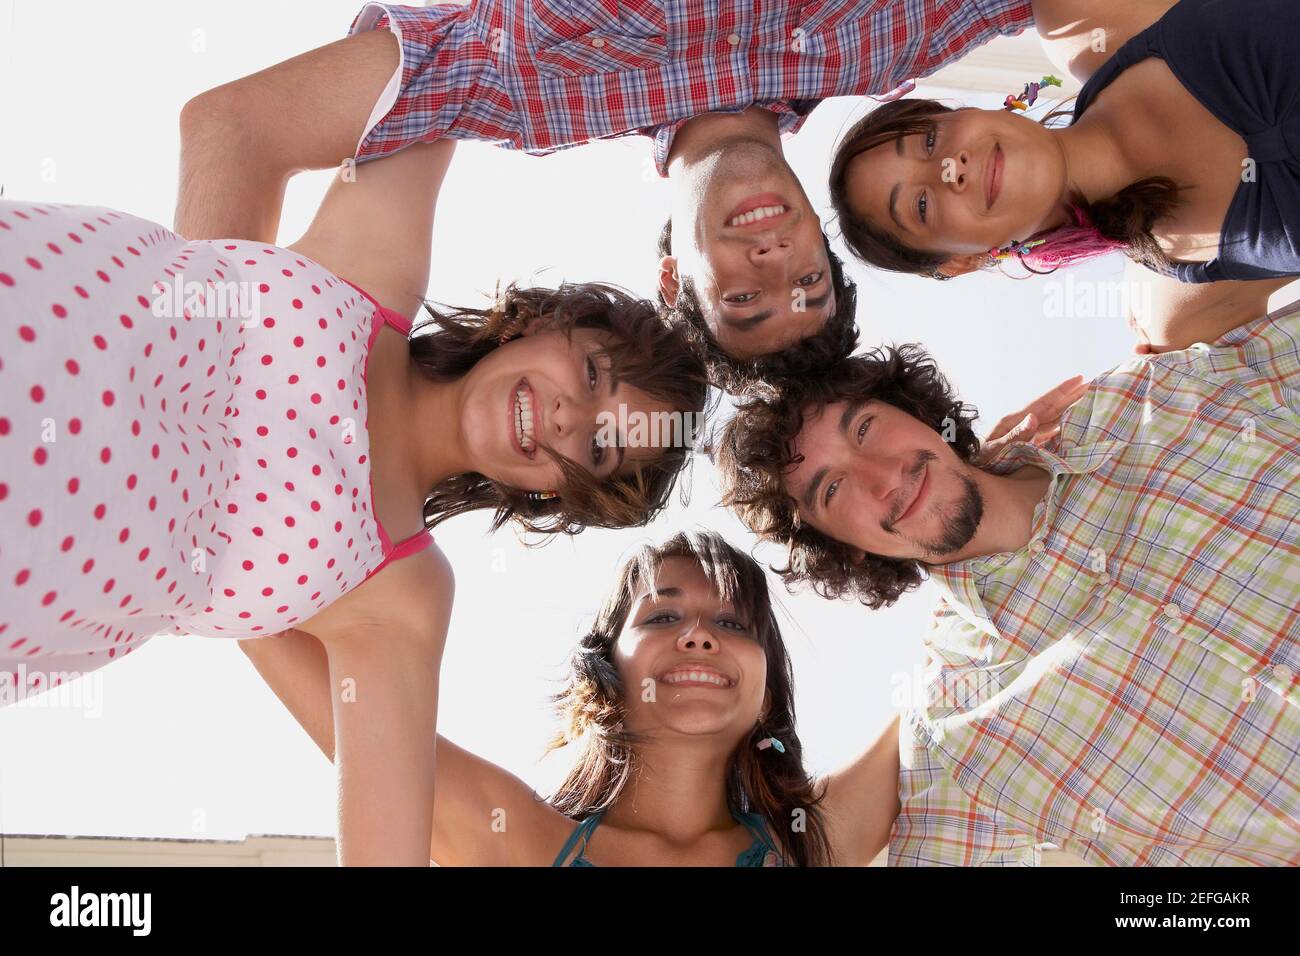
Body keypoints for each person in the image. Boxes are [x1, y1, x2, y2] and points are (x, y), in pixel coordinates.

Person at [0, 139, 709, 864]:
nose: (569, 418)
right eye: (592, 373)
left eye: (598, 448)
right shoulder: (378, 260)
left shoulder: (402, 596)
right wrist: (204, 283)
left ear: (556, 495)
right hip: (32, 299)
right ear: (541, 321)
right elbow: (433, 67)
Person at [175, 0, 1040, 388]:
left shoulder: (527, 88)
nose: (776, 263)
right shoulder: (886, 43)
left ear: (675, 282)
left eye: (745, 296)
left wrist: (198, 399)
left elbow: (237, 130)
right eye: (807, 281)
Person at [715, 307, 1300, 864]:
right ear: (842, 547)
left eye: (866, 428)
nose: (884, 477)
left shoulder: (1145, 401)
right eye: (832, 490)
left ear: (913, 409)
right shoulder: (952, 736)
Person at [240, 529, 903, 866]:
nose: (700, 637)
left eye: (733, 624)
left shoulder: (811, 839)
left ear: (766, 689)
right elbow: (270, 635)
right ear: (604, 667)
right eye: (662, 617)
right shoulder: (517, 837)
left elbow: (965, 673)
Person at [829, 0, 1300, 287]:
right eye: (922, 205)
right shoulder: (1189, 270)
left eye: (929, 142)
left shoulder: (1082, 17)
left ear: (964, 112)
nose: (951, 169)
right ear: (962, 261)